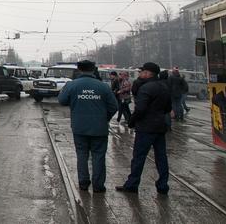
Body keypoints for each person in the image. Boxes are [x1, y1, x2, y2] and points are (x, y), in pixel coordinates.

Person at [58, 60, 118, 193]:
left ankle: (83, 182)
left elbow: (62, 100)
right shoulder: (103, 86)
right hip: (99, 127)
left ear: (79, 70)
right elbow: (114, 106)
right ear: (93, 70)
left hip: (79, 127)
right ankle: (98, 185)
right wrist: (104, 118)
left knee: (82, 154)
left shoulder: (72, 85)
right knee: (99, 155)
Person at [116, 62, 172, 195]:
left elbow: (140, 108)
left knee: (139, 157)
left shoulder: (146, 88)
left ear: (147, 73)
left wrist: (132, 121)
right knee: (161, 157)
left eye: (141, 72)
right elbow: (168, 108)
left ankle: (132, 184)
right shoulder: (164, 87)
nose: (140, 74)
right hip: (160, 127)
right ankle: (163, 185)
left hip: (145, 128)